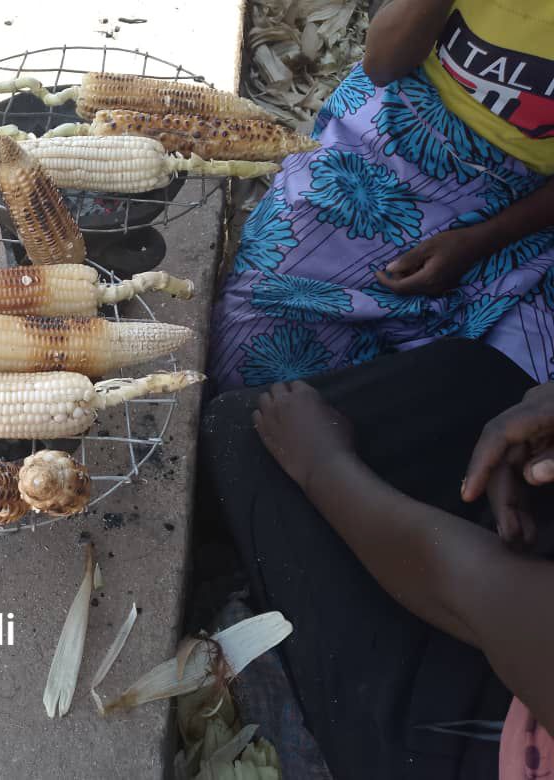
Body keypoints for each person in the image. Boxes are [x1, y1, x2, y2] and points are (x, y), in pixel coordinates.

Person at [200, 338, 554, 779]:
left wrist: (322, 466)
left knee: (242, 435)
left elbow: (481, 591)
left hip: (480, 734)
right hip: (514, 604)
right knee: (475, 378)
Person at [209, 0, 554, 392]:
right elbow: (383, 64)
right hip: (389, 134)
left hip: (523, 206)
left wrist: (480, 242)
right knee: (248, 354)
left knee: (510, 398)